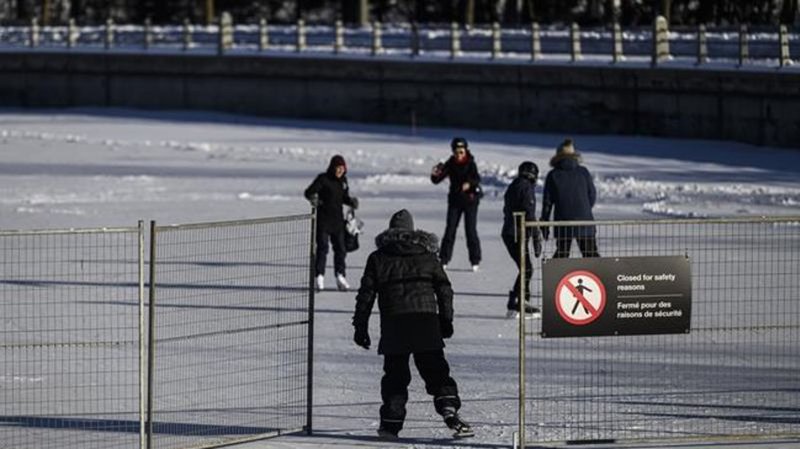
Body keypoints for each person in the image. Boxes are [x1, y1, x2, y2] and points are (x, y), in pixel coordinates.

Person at [352, 209, 473, 440]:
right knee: (436, 372)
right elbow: (444, 290)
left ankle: (390, 425)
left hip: (395, 326)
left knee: (395, 378)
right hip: (425, 322)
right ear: (412, 231)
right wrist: (445, 321)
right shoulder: (428, 256)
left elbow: (366, 295)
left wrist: (360, 327)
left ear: (390, 232)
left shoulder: (378, 258)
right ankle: (448, 407)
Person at [304, 154, 359, 291]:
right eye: (337, 168)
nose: (340, 171)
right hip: (323, 221)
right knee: (323, 249)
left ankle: (340, 276)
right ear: (332, 167)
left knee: (341, 250)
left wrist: (351, 201)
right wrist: (314, 199)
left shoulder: (343, 181)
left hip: (338, 222)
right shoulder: (323, 179)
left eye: (342, 168)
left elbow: (343, 197)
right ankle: (319, 277)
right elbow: (309, 192)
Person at [540, 138, 600, 258]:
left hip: (563, 221)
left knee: (562, 256)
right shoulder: (583, 172)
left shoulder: (553, 175)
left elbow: (547, 202)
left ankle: (556, 276)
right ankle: (601, 276)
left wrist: (544, 223)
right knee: (591, 255)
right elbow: (592, 194)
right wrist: (585, 209)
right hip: (585, 220)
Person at [430, 137, 482, 271]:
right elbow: (437, 180)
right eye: (456, 152)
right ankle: (444, 259)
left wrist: (469, 183)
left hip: (470, 202)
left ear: (465, 151)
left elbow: (477, 178)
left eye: (461, 152)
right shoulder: (451, 163)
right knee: (450, 230)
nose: (459, 155)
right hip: (455, 201)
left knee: (470, 231)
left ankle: (475, 260)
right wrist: (435, 174)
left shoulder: (471, 163)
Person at [501, 161, 543, 318]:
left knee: (526, 268)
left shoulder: (514, 185)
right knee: (527, 268)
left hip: (511, 232)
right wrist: (536, 237)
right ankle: (517, 302)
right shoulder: (525, 187)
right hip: (516, 234)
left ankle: (519, 300)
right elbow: (529, 213)